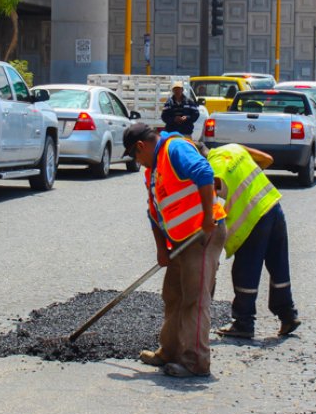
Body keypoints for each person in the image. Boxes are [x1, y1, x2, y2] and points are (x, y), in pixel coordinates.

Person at [123, 122, 226, 378]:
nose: (138, 163)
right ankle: (169, 351)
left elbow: (204, 173)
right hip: (180, 241)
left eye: (135, 156)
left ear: (140, 146)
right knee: (172, 294)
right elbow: (154, 212)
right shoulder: (152, 171)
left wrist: (207, 217)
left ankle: (196, 361)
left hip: (203, 235)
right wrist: (161, 249)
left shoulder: (175, 148)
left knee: (195, 298)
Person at [204, 143, 301, 339]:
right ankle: (288, 315)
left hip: (252, 218)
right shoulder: (234, 148)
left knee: (245, 269)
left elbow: (210, 205)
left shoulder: (209, 170)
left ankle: (244, 323)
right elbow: (267, 159)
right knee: (278, 265)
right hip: (272, 206)